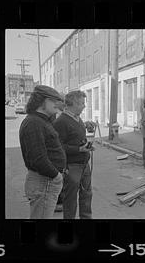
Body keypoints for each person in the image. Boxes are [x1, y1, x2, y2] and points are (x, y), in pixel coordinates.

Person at [19, 85, 67, 219]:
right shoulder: (34, 122)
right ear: (41, 101)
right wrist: (56, 176)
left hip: (46, 180)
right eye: (53, 100)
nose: (57, 104)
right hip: (44, 180)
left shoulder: (41, 120)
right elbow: (38, 158)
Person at [53, 90, 96, 219]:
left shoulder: (77, 118)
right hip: (72, 166)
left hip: (84, 164)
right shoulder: (61, 122)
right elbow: (58, 147)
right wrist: (79, 149)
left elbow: (76, 136)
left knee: (87, 194)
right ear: (73, 104)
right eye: (82, 103)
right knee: (70, 198)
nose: (84, 106)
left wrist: (86, 129)